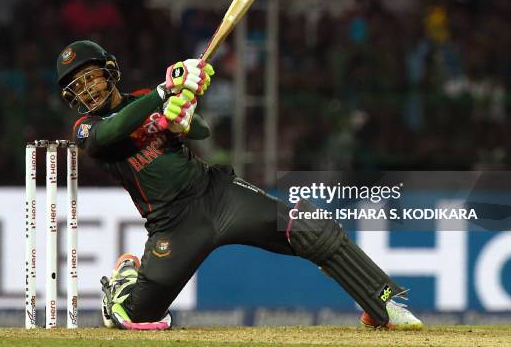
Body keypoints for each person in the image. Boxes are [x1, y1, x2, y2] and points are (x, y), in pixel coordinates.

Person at [56, 40, 423, 331]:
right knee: (138, 317)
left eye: (91, 77)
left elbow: (202, 129)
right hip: (173, 224)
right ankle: (123, 287)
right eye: (79, 86)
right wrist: (164, 92)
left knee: (310, 228)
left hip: (217, 194)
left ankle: (382, 305)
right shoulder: (86, 128)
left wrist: (181, 121)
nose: (88, 90)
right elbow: (111, 132)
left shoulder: (141, 100)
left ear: (110, 71)